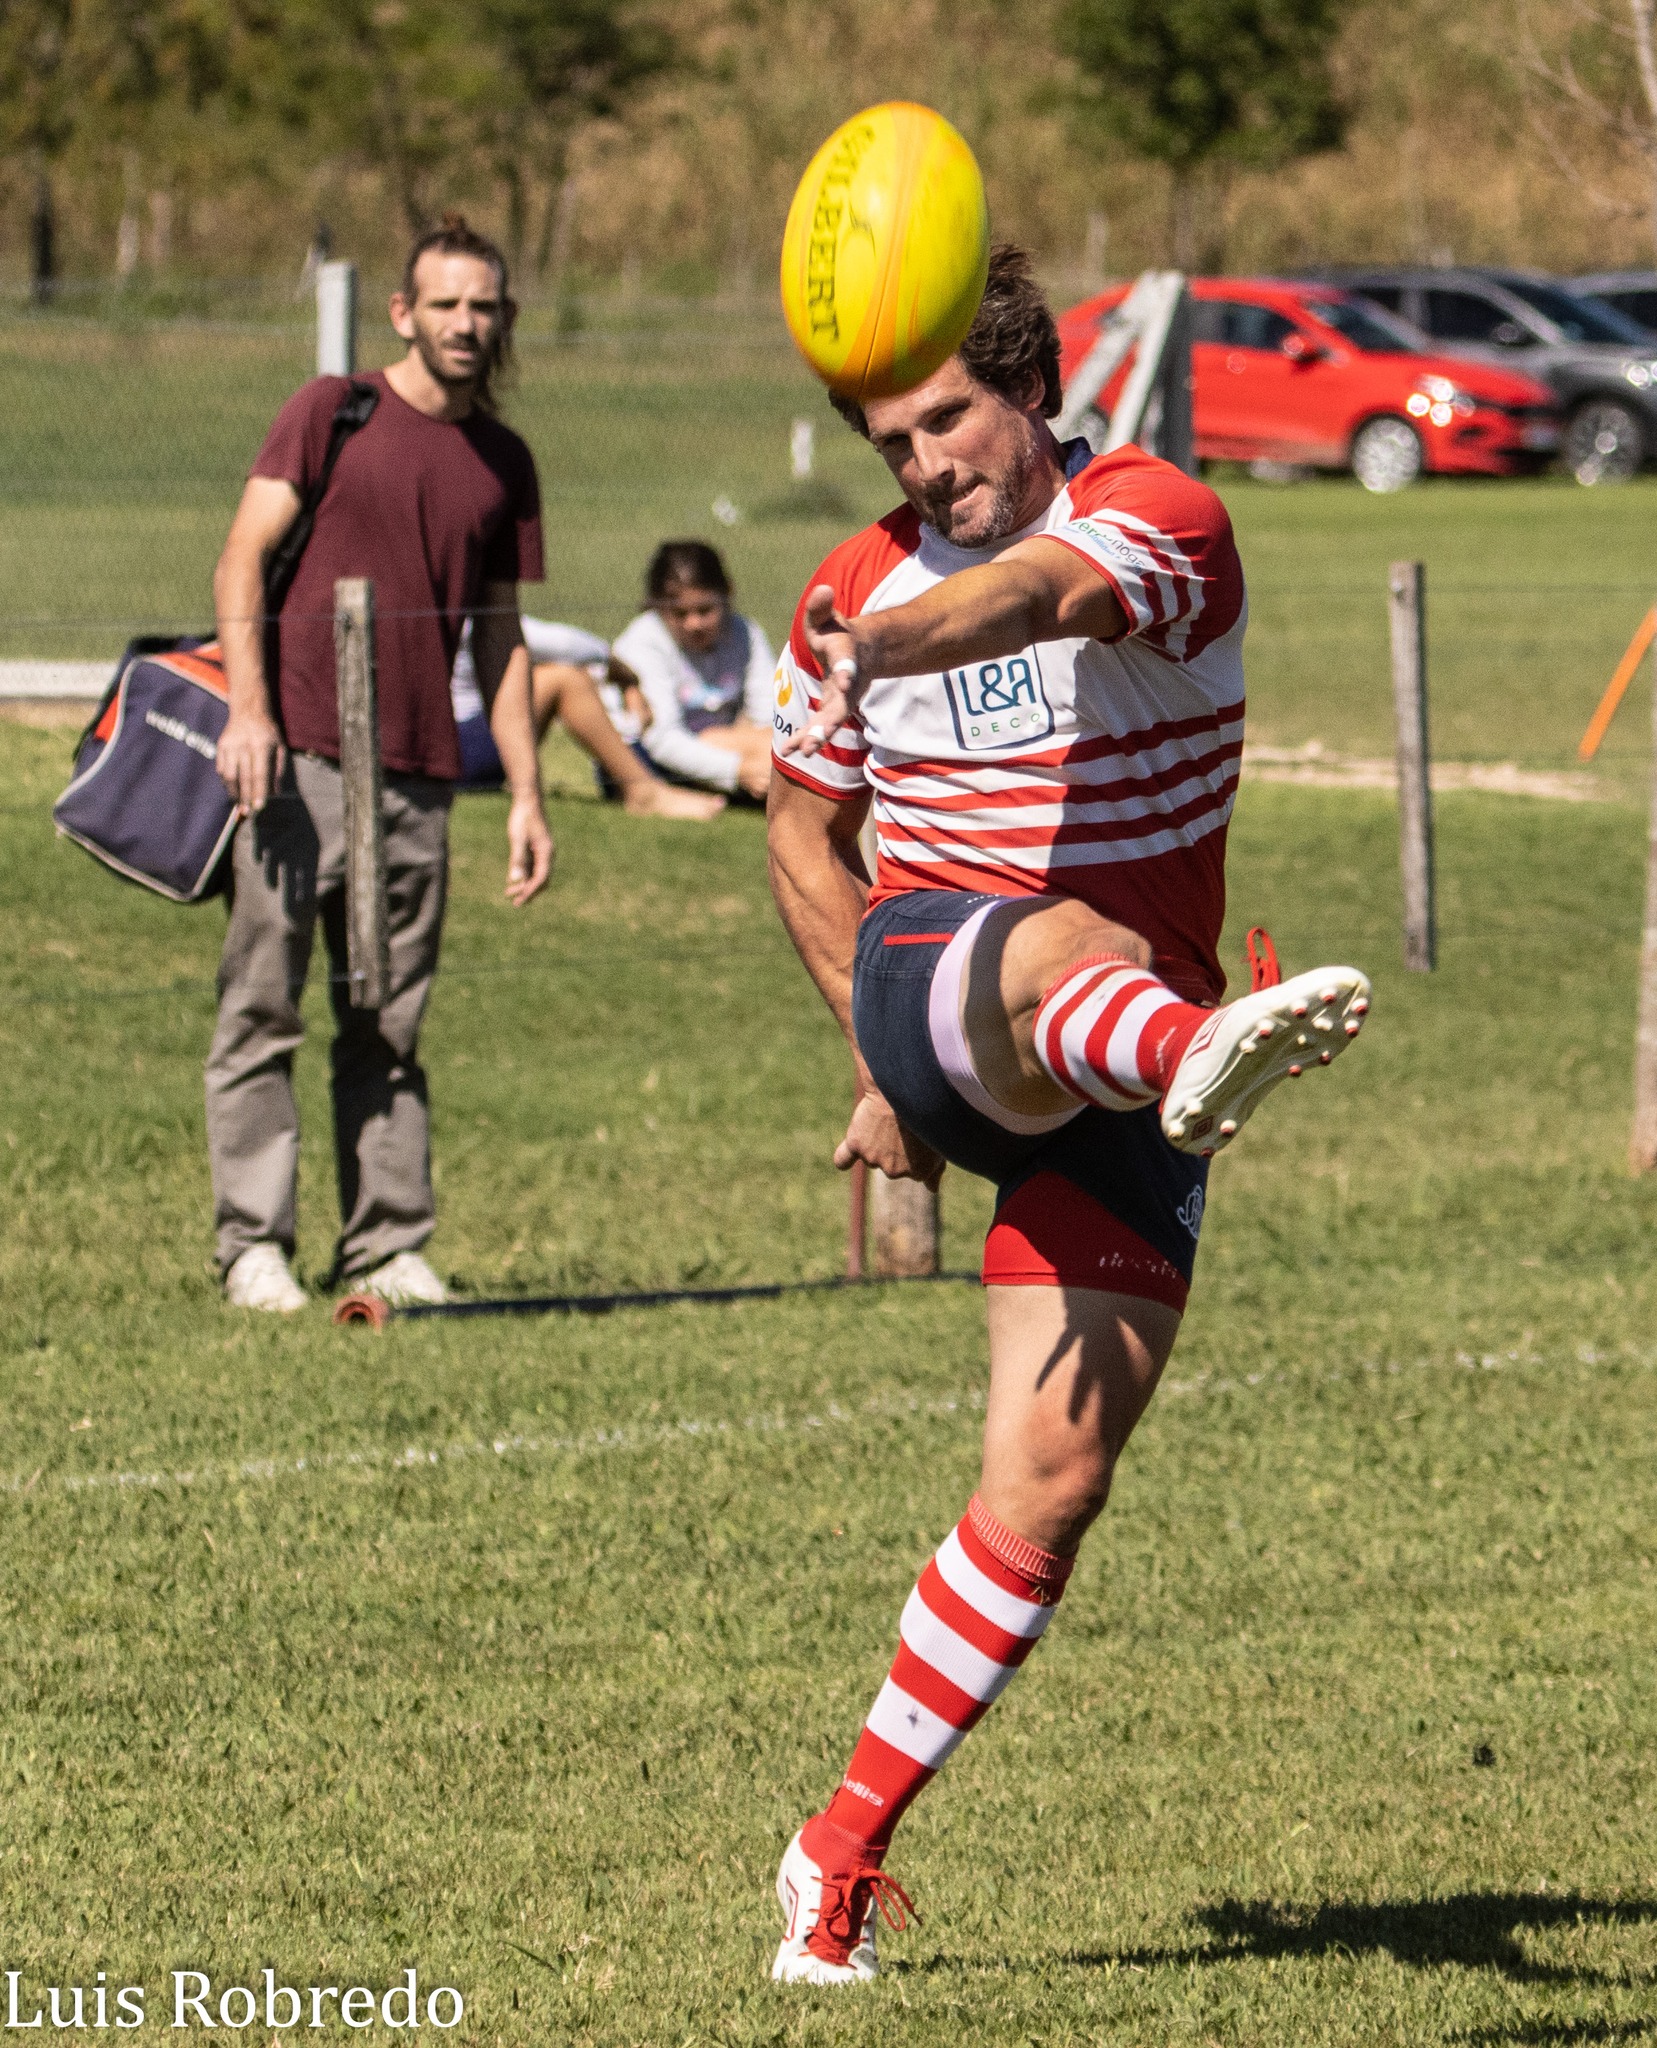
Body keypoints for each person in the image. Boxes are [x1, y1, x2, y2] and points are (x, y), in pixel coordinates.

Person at [764, 246, 1371, 1984]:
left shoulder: (1159, 512)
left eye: (945, 419)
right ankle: (1179, 1042)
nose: (923, 465)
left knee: (1046, 1481)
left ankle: (835, 1849)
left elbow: (1024, 600)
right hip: (938, 972)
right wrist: (876, 1066)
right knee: (1062, 945)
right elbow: (801, 829)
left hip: (1110, 1066)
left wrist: (891, 634)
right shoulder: (850, 585)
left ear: (1028, 384)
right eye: (889, 444)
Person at [208, 213, 551, 1315]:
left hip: (416, 778)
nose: (464, 323)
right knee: (263, 1006)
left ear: (502, 321)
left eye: (483, 307)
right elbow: (242, 558)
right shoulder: (333, 412)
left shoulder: (503, 461)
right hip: (296, 753)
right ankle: (253, 1244)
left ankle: (386, 1241)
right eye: (444, 304)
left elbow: (499, 636)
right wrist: (251, 712)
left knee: (390, 1018)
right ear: (404, 312)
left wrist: (528, 794)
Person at [450, 614, 724, 819]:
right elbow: (567, 644)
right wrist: (626, 676)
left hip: (450, 753)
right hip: (457, 754)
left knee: (539, 673)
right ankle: (642, 792)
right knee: (564, 680)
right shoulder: (462, 614)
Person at [611, 541, 775, 801]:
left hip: (728, 746)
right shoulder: (644, 641)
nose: (694, 623)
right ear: (657, 606)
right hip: (649, 760)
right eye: (679, 613)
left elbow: (771, 714)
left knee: (777, 745)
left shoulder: (745, 633)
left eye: (705, 610)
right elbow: (661, 739)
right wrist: (737, 770)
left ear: (727, 595)